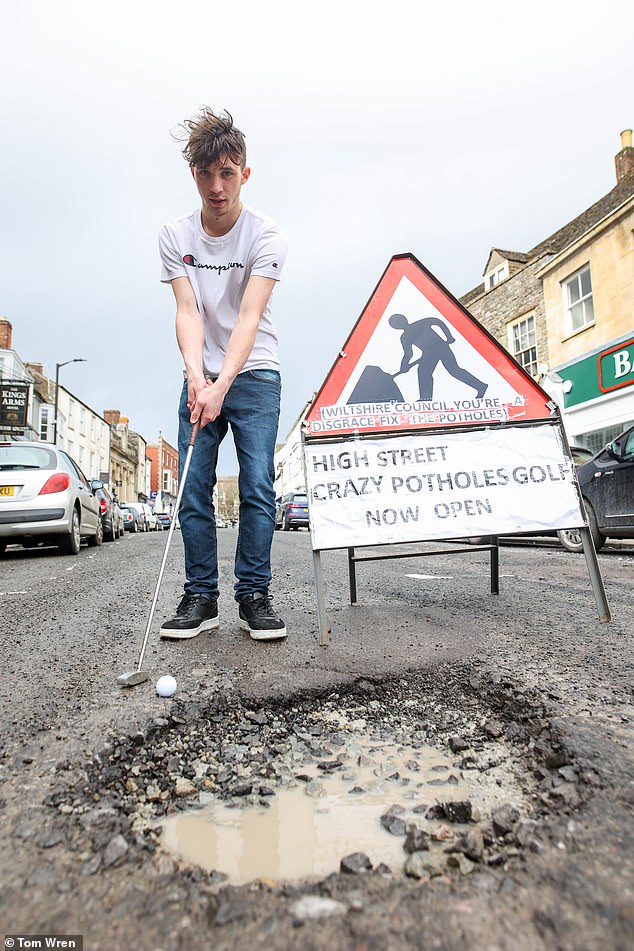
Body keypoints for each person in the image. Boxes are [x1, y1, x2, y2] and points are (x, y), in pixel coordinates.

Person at [158, 108, 288, 641]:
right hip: (200, 374)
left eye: (227, 174)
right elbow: (187, 312)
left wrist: (221, 384)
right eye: (206, 174)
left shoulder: (268, 236)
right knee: (193, 488)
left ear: (245, 174)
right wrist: (196, 379)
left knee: (257, 485)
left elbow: (250, 318)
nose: (217, 187)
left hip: (253, 373)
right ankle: (201, 597)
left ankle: (254, 594)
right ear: (194, 175)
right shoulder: (174, 234)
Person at [388, 313, 487, 401]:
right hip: (428, 352)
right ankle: (425, 398)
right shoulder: (405, 337)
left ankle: (481, 386)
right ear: (396, 327)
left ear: (404, 318)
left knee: (454, 370)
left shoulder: (421, 323)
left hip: (440, 346)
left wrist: (449, 336)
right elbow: (408, 353)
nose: (399, 323)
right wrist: (404, 365)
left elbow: (438, 322)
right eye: (396, 323)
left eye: (399, 320)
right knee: (423, 373)